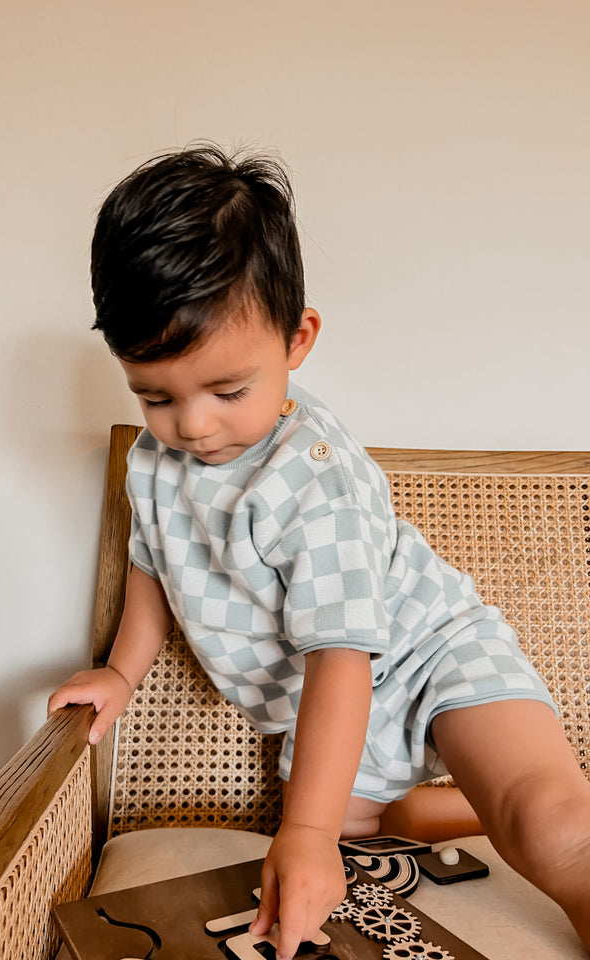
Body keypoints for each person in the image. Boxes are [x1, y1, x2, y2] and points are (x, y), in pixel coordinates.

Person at [48, 145, 590, 958]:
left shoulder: (314, 476)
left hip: (427, 654)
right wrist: (122, 672)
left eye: (228, 390)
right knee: (360, 849)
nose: (192, 424)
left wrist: (301, 831)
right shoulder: (154, 464)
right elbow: (152, 566)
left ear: (297, 339)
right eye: (155, 396)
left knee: (549, 823)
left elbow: (342, 655)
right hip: (325, 709)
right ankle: (430, 810)